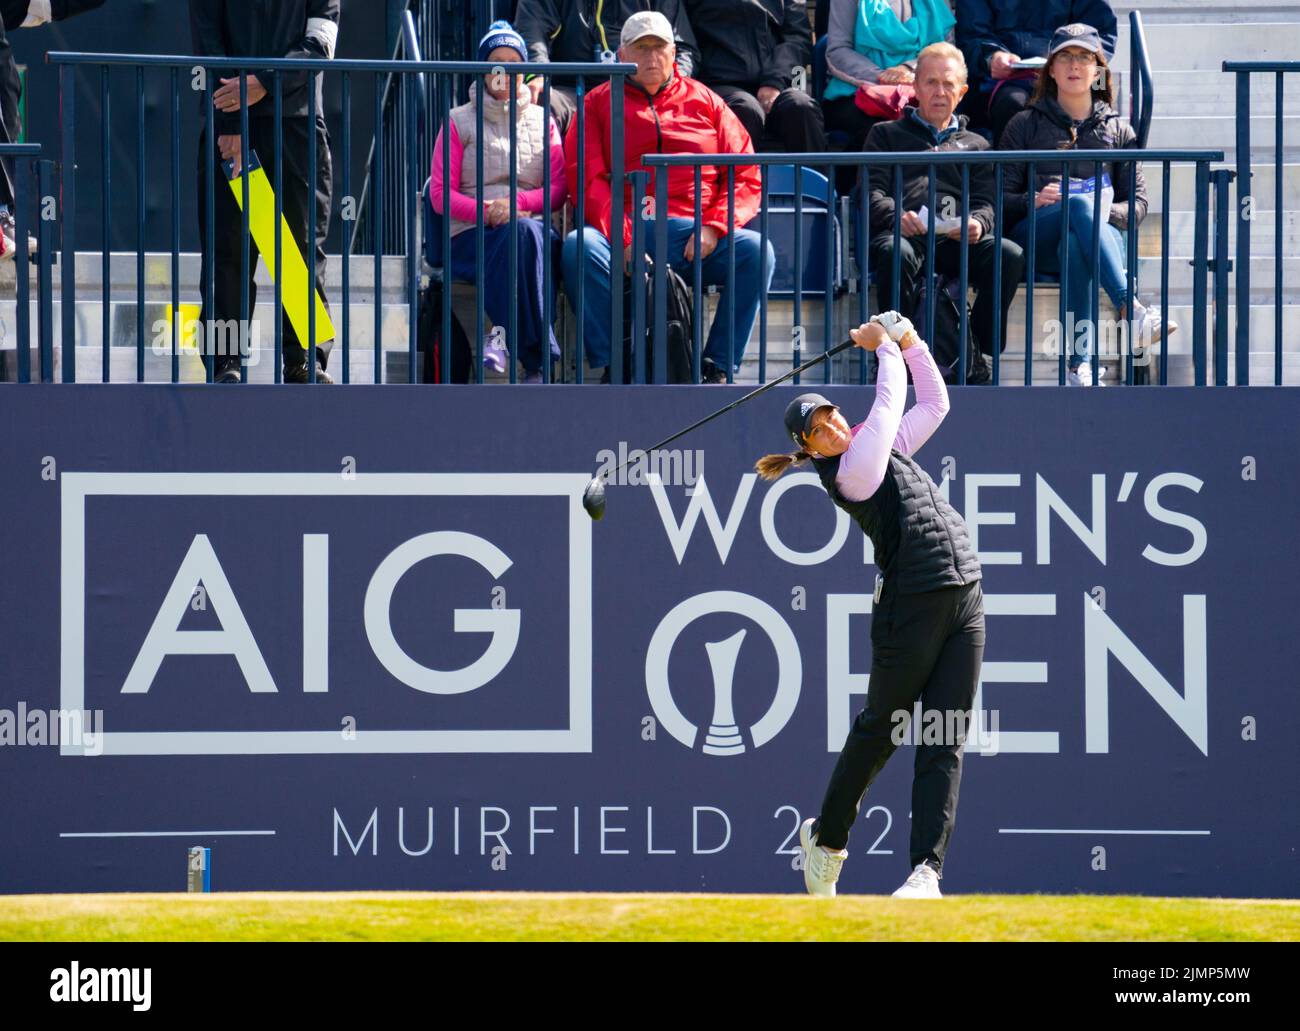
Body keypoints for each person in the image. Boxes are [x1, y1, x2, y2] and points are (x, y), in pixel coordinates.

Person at [755, 310, 984, 899]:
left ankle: (925, 872)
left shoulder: (880, 451)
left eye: (830, 414)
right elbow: (886, 411)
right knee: (881, 729)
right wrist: (885, 347)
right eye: (817, 430)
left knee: (945, 733)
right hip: (908, 607)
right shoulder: (850, 472)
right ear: (807, 450)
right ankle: (827, 841)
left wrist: (911, 339)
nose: (831, 426)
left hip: (964, 596)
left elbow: (934, 405)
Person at [561, 10, 774, 384]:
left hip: (694, 235)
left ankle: (716, 367)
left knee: (757, 252)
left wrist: (713, 227)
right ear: (621, 54)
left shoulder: (707, 102)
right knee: (580, 247)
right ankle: (616, 362)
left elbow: (745, 172)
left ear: (674, 53)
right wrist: (624, 239)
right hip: (626, 232)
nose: (651, 58)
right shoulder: (595, 104)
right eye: (641, 49)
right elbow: (588, 181)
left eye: (658, 48)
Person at [1001, 23, 1172, 387]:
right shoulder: (1023, 124)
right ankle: (1131, 308)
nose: (1074, 65)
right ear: (1050, 69)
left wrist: (1100, 211)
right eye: (1064, 56)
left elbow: (1138, 205)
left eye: (1084, 57)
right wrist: (1031, 200)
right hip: (1037, 237)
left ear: (1098, 70)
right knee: (1079, 210)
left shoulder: (1119, 130)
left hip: (1093, 241)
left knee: (1078, 243)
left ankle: (1079, 367)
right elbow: (999, 198)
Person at [189, 0, 339, 384]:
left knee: (299, 251)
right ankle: (225, 362)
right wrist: (231, 121)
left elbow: (320, 46)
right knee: (228, 249)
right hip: (232, 131)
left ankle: (304, 360)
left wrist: (261, 83)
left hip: (298, 128)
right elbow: (209, 44)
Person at [862, 42, 1025, 381]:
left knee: (1008, 254)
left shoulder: (978, 145)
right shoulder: (885, 135)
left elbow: (987, 202)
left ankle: (979, 348)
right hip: (907, 237)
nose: (939, 91)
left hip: (957, 241)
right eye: (931, 82)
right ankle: (894, 356)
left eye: (948, 84)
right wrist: (897, 218)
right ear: (915, 86)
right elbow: (871, 192)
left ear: (963, 91)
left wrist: (978, 223)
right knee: (895, 252)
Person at [430, 20, 567, 383]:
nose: (505, 71)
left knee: (525, 234)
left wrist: (518, 202)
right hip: (472, 234)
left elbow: (558, 189)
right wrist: (490, 212)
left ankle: (503, 337)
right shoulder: (457, 121)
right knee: (521, 237)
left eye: (513, 62)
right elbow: (440, 195)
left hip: (530, 228)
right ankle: (538, 358)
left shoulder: (544, 121)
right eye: (496, 62)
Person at [822, 0, 956, 187]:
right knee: (885, 129)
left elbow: (946, 50)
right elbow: (837, 51)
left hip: (918, 89)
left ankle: (922, 205)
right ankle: (859, 199)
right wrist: (880, 77)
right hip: (857, 93)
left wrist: (909, 69)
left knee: (928, 122)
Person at [514, 0, 699, 135]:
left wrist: (669, 86)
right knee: (541, 100)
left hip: (635, 91)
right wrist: (537, 74)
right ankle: (553, 188)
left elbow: (683, 49)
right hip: (571, 91)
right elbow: (532, 31)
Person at [955, 0, 1117, 145]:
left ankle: (1090, 168)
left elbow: (1101, 34)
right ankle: (1013, 176)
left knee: (1095, 92)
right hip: (1001, 81)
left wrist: (1069, 58)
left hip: (1070, 69)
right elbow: (970, 35)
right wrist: (991, 57)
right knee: (1012, 103)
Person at [684, 0, 824, 153]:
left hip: (778, 82)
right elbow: (686, 43)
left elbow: (798, 41)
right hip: (720, 84)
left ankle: (815, 177)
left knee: (801, 106)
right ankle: (741, 177)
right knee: (745, 108)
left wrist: (774, 81)